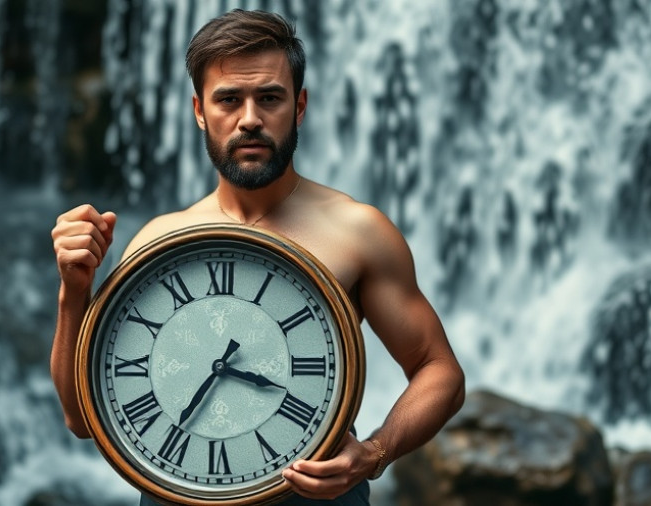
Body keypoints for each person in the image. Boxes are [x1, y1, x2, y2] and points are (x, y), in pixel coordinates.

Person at [50, 9, 465, 504]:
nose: (250, 118)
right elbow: (81, 419)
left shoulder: (358, 231)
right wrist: (74, 291)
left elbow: (440, 370)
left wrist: (375, 452)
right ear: (200, 110)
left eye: (269, 97)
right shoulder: (159, 244)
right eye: (229, 99)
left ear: (300, 106)